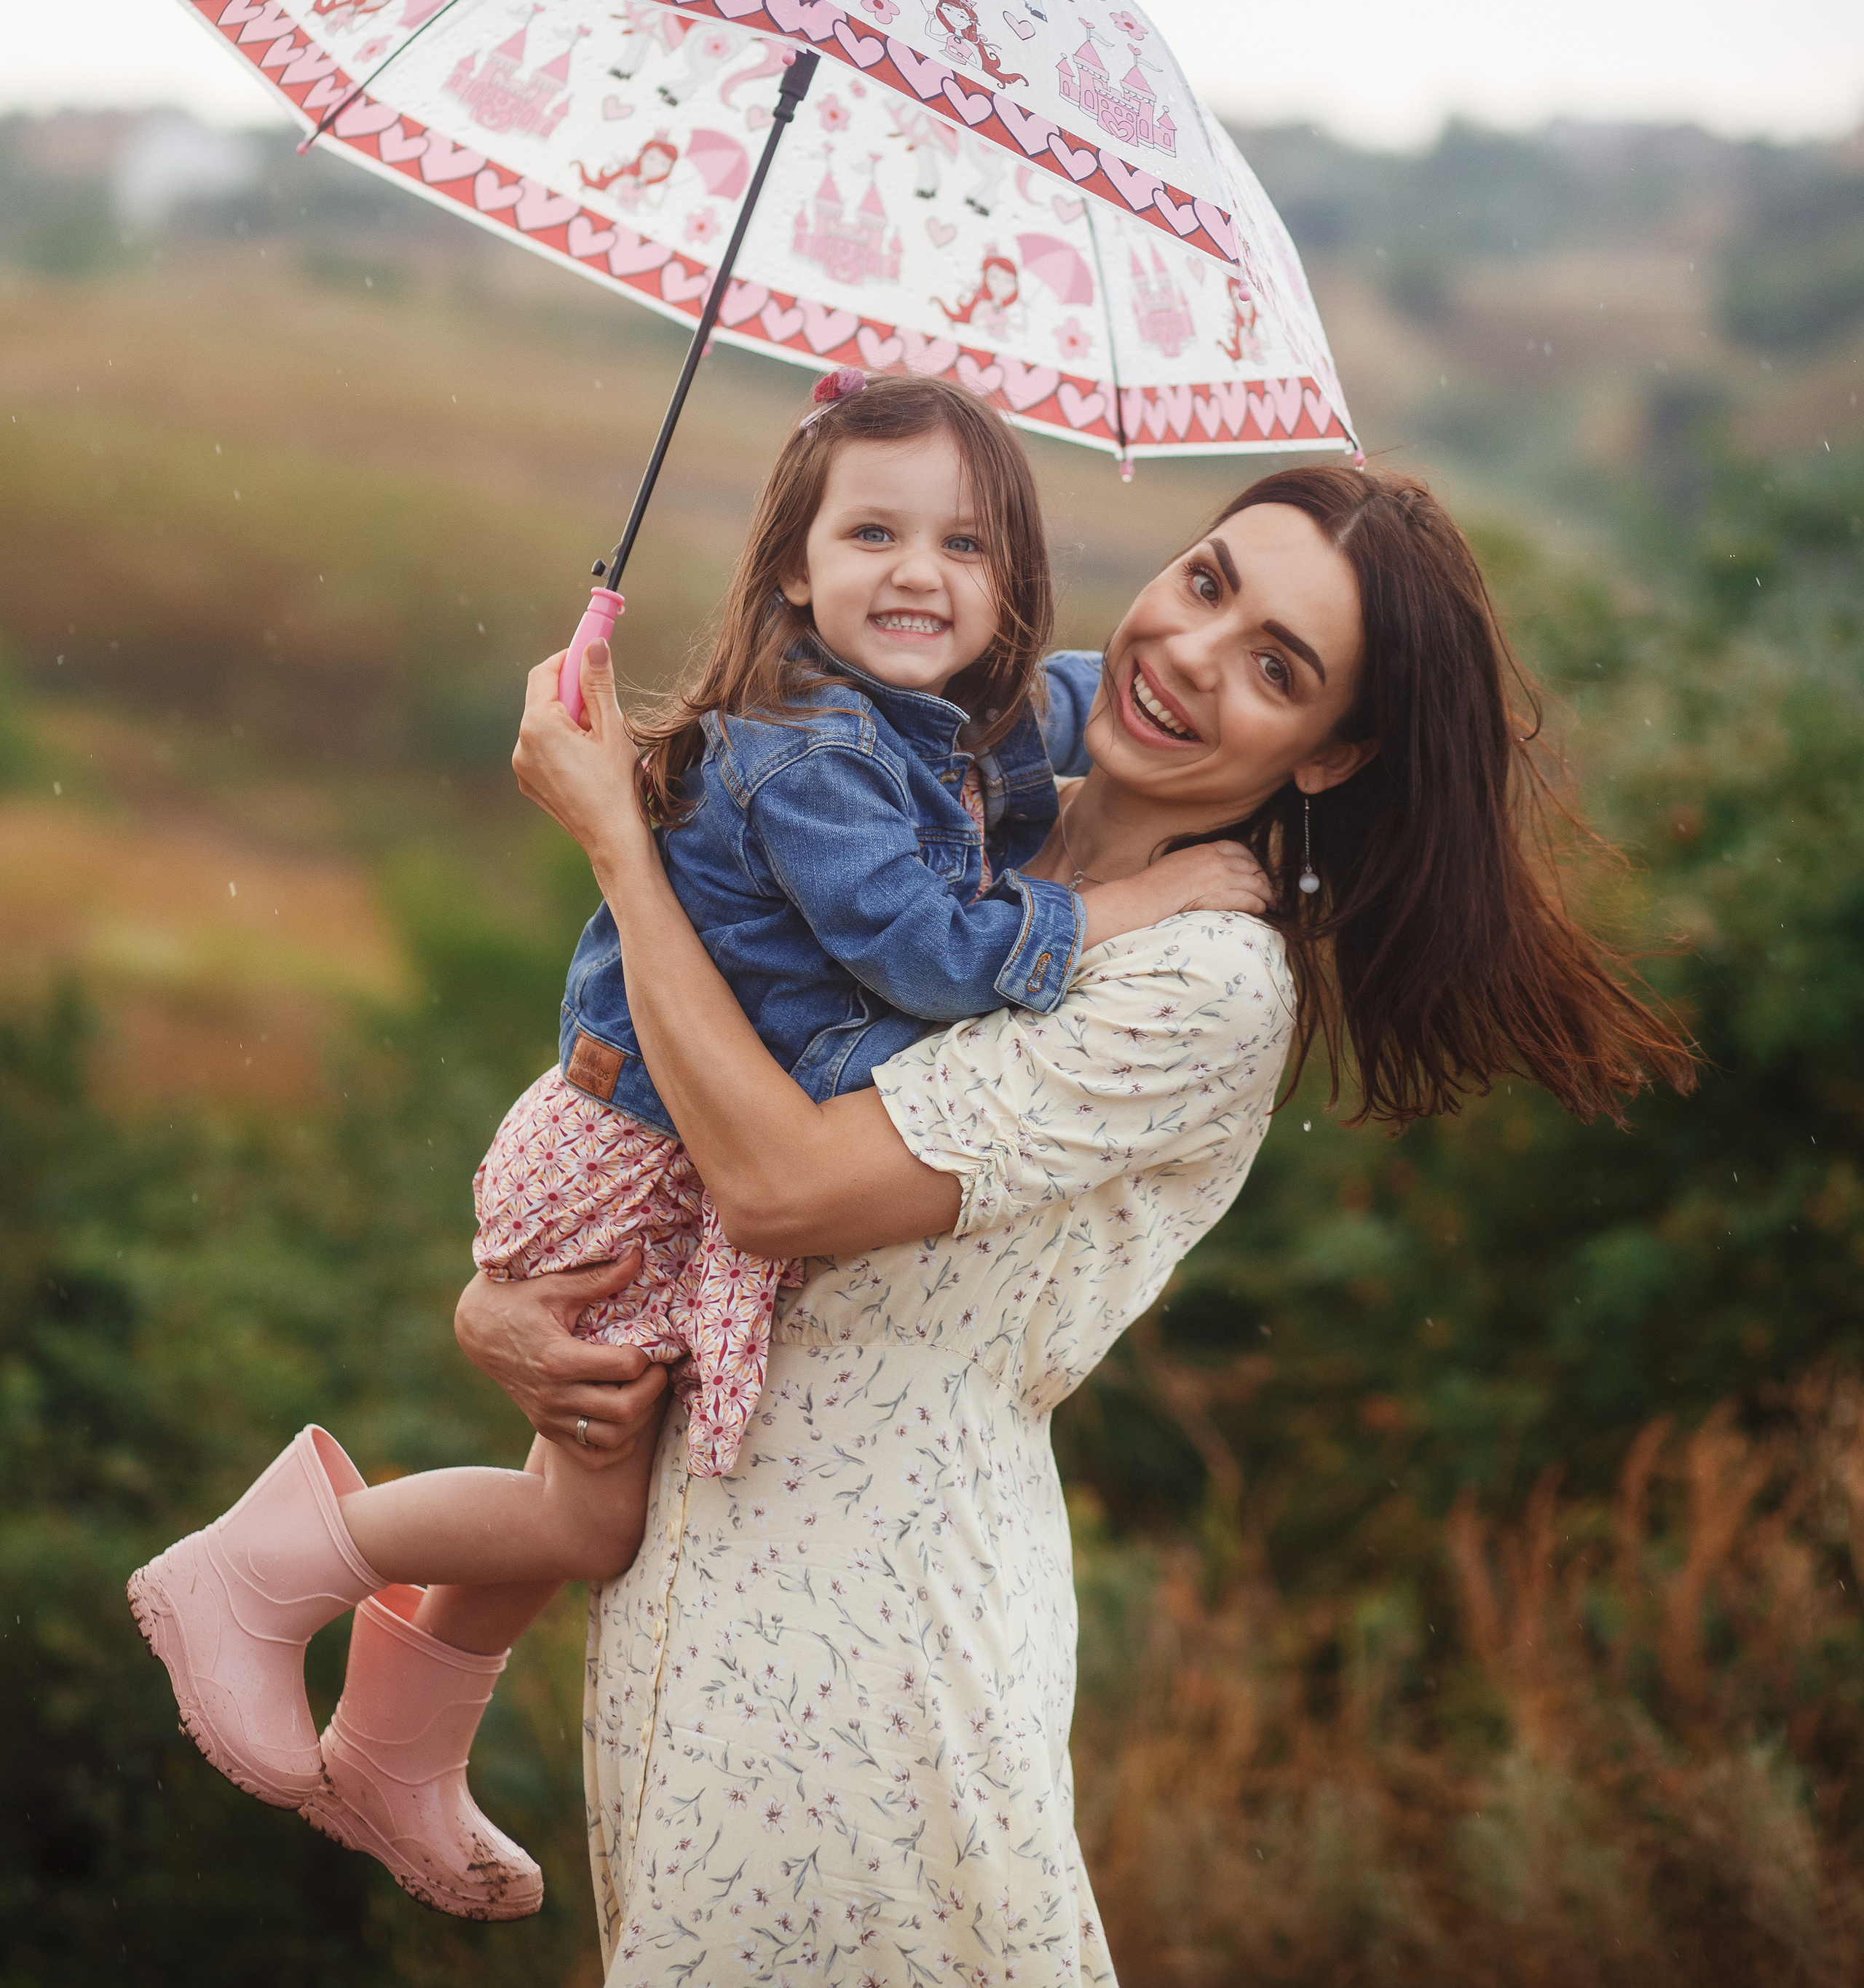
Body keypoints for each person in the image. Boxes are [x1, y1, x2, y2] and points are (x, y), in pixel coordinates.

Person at [466, 461, 1692, 1983]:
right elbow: (663, 1116)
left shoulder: (1204, 986)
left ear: (1330, 753)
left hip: (869, 1619)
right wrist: (511, 1302)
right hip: (693, 1580)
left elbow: (777, 1189)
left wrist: (616, 847)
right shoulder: (960, 829)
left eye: (1275, 667)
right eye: (1202, 584)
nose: (1187, 653)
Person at [124, 374, 1265, 1923]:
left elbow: (1062, 700)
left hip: (660, 1153)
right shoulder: (812, 759)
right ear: (792, 567)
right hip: (633, 1149)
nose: (919, 574)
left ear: (1008, 589)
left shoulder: (959, 711)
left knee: (589, 1474)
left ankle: (396, 1741)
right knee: (588, 1512)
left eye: (966, 546)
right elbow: (933, 958)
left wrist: (1108, 730)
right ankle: (263, 1569)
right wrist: (1136, 898)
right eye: (872, 532)